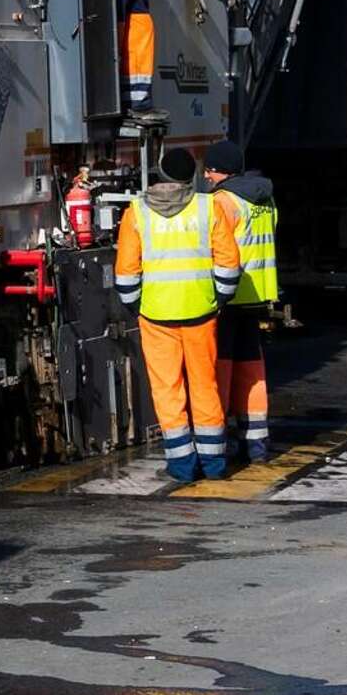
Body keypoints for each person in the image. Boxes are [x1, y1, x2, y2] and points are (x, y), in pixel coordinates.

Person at [115, 147, 243, 482]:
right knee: (204, 385)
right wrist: (217, 300)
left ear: (161, 174)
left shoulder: (136, 212)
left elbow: (126, 274)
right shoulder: (209, 207)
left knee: (167, 389)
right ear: (192, 176)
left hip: (156, 316)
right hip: (201, 312)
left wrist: (138, 307)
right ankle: (214, 464)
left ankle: (182, 465)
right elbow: (229, 265)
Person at [204, 141, 278, 464]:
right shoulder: (265, 198)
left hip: (230, 296)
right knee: (253, 369)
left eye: (208, 170)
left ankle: (221, 440)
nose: (206, 177)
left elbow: (215, 247)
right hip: (258, 295)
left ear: (218, 170)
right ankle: (257, 442)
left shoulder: (222, 201)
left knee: (221, 368)